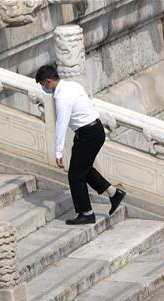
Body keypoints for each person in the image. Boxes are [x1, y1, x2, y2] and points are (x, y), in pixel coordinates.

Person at [35, 64, 125, 225]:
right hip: (93, 130)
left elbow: (61, 124)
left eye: (43, 84)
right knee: (83, 168)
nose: (44, 88)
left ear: (49, 81)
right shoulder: (72, 85)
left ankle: (86, 213)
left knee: (75, 174)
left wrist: (58, 152)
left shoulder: (61, 96)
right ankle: (113, 193)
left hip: (88, 134)